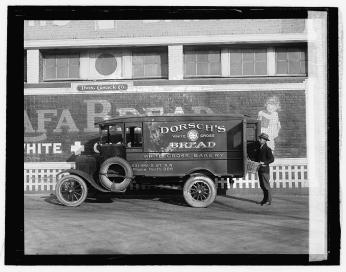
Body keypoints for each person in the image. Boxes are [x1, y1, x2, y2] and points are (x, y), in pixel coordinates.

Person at [255, 133, 274, 206]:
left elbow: (272, 159)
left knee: (266, 186)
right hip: (260, 170)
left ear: (265, 140)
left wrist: (264, 162)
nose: (259, 139)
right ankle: (264, 200)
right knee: (262, 185)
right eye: (259, 138)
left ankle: (269, 201)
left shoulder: (267, 149)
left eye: (261, 138)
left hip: (265, 170)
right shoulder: (260, 148)